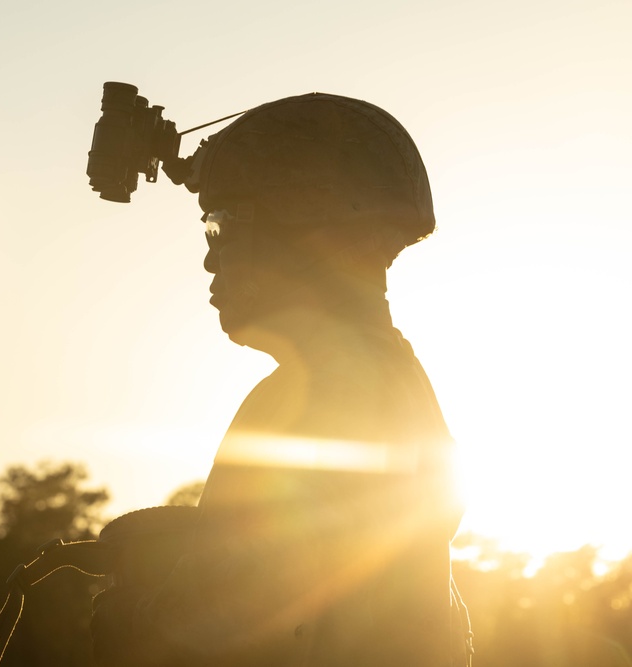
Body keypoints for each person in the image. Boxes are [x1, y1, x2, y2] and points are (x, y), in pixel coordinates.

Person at [91, 93, 472, 667]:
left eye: (218, 226)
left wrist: (124, 622)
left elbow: (217, 639)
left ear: (306, 230)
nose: (209, 261)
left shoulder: (316, 396)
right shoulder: (391, 375)